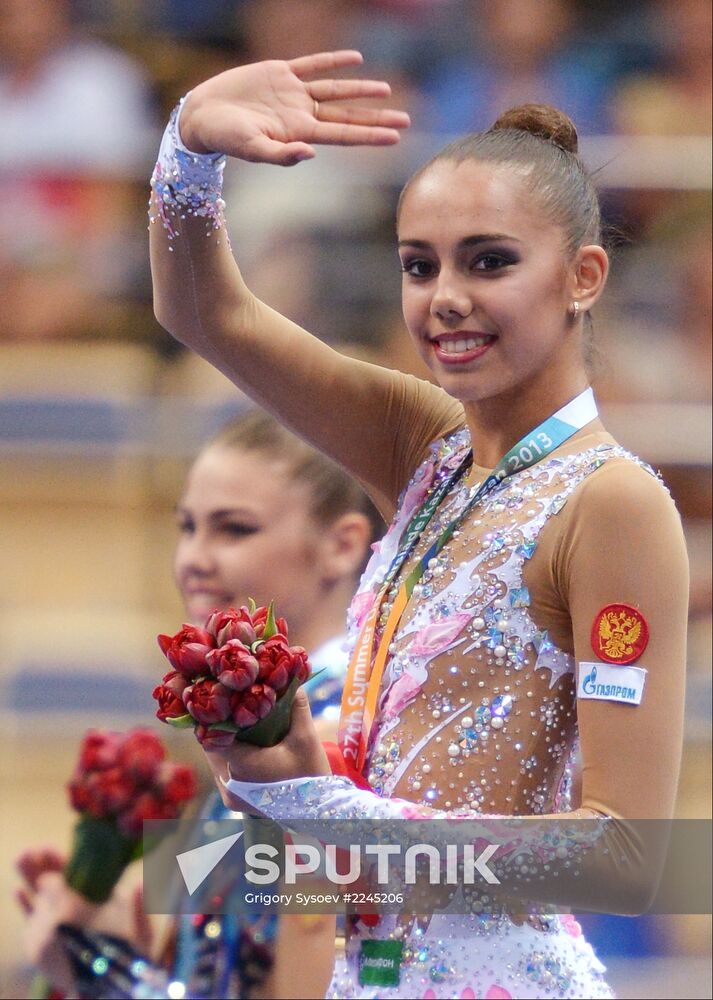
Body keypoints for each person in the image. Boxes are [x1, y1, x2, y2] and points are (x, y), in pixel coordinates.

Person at [147, 52, 688, 999]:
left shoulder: (611, 501)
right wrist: (187, 146)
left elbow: (624, 856)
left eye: (489, 261)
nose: (445, 296)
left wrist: (348, 825)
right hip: (376, 976)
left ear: (583, 277)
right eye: (417, 264)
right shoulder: (428, 448)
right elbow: (204, 311)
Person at [16, 408, 378, 999]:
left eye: (233, 529)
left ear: (341, 546)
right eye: (187, 527)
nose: (193, 559)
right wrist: (102, 930)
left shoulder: (332, 739)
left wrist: (97, 970)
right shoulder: (255, 734)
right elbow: (210, 973)